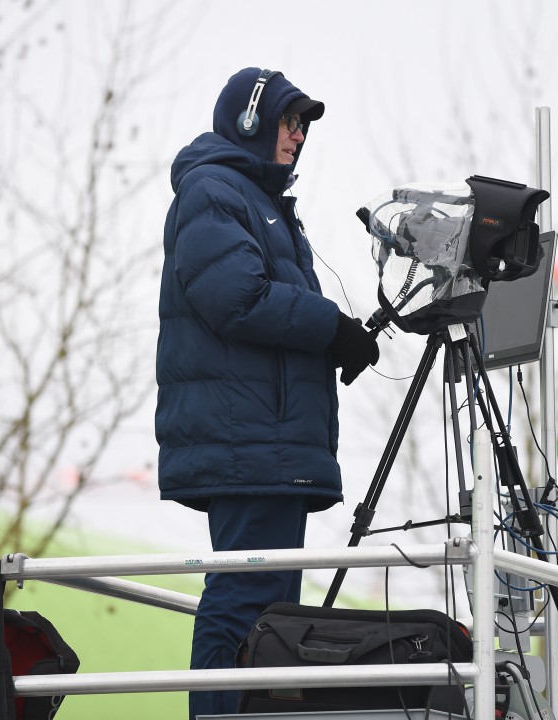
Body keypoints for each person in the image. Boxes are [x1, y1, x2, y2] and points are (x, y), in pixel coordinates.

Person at [155, 66, 380, 718]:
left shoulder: (261, 205)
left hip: (269, 446)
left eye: (304, 125)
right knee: (243, 601)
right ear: (252, 120)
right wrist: (331, 329)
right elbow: (237, 298)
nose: (298, 136)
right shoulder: (213, 191)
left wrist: (332, 337)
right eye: (289, 121)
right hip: (247, 443)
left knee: (272, 612)